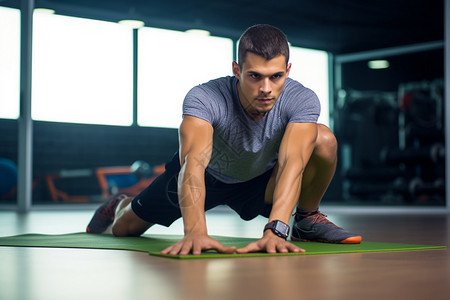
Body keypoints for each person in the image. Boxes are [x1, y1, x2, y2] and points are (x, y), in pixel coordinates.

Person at [86, 24, 361, 255]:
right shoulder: (205, 98)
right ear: (237, 69)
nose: (266, 88)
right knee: (124, 229)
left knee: (323, 138)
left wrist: (276, 230)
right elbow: (193, 164)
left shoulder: (301, 99)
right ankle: (120, 203)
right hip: (207, 176)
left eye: (276, 76)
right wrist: (195, 232)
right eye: (255, 76)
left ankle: (306, 219)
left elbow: (293, 163)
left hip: (259, 180)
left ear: (287, 71)